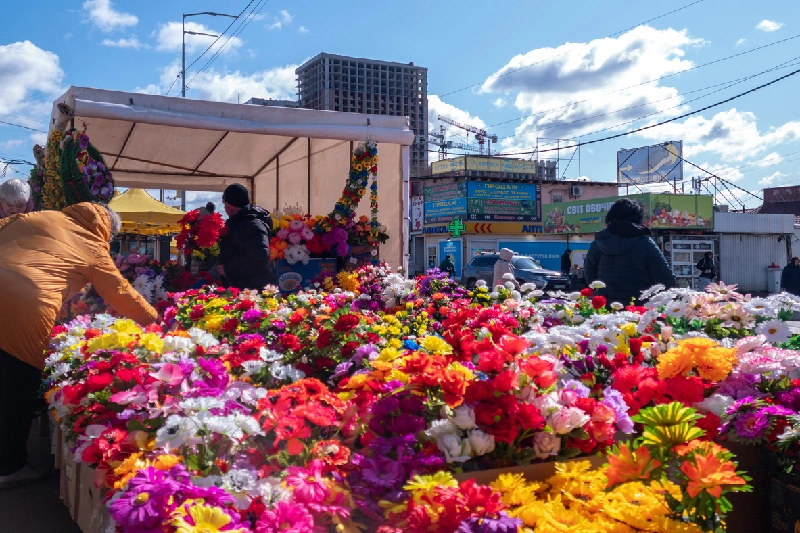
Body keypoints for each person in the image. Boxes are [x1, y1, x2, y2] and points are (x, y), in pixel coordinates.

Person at [0, 203, 158, 488]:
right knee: (17, 389)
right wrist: (156, 321)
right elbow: (120, 293)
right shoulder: (92, 244)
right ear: (106, 231)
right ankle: (9, 467)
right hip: (24, 307)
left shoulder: (40, 215)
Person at [584, 198, 676, 304]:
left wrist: (603, 293)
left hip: (605, 309)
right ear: (637, 219)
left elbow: (590, 278)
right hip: (639, 311)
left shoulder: (598, 243)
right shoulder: (644, 243)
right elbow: (666, 279)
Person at [218, 184, 275, 290]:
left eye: (224, 203)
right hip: (243, 286)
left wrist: (227, 269)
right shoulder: (237, 223)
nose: (224, 208)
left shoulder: (253, 225)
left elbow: (259, 257)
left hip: (256, 289)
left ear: (231, 205)